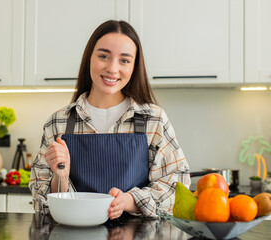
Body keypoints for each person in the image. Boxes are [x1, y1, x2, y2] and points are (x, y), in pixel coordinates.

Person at [30, 20, 190, 219]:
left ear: (134, 66)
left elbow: (177, 185)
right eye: (104, 56)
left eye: (124, 60)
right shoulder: (58, 123)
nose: (113, 69)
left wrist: (130, 201)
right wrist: (60, 177)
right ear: (89, 58)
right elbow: (41, 205)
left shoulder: (153, 120)